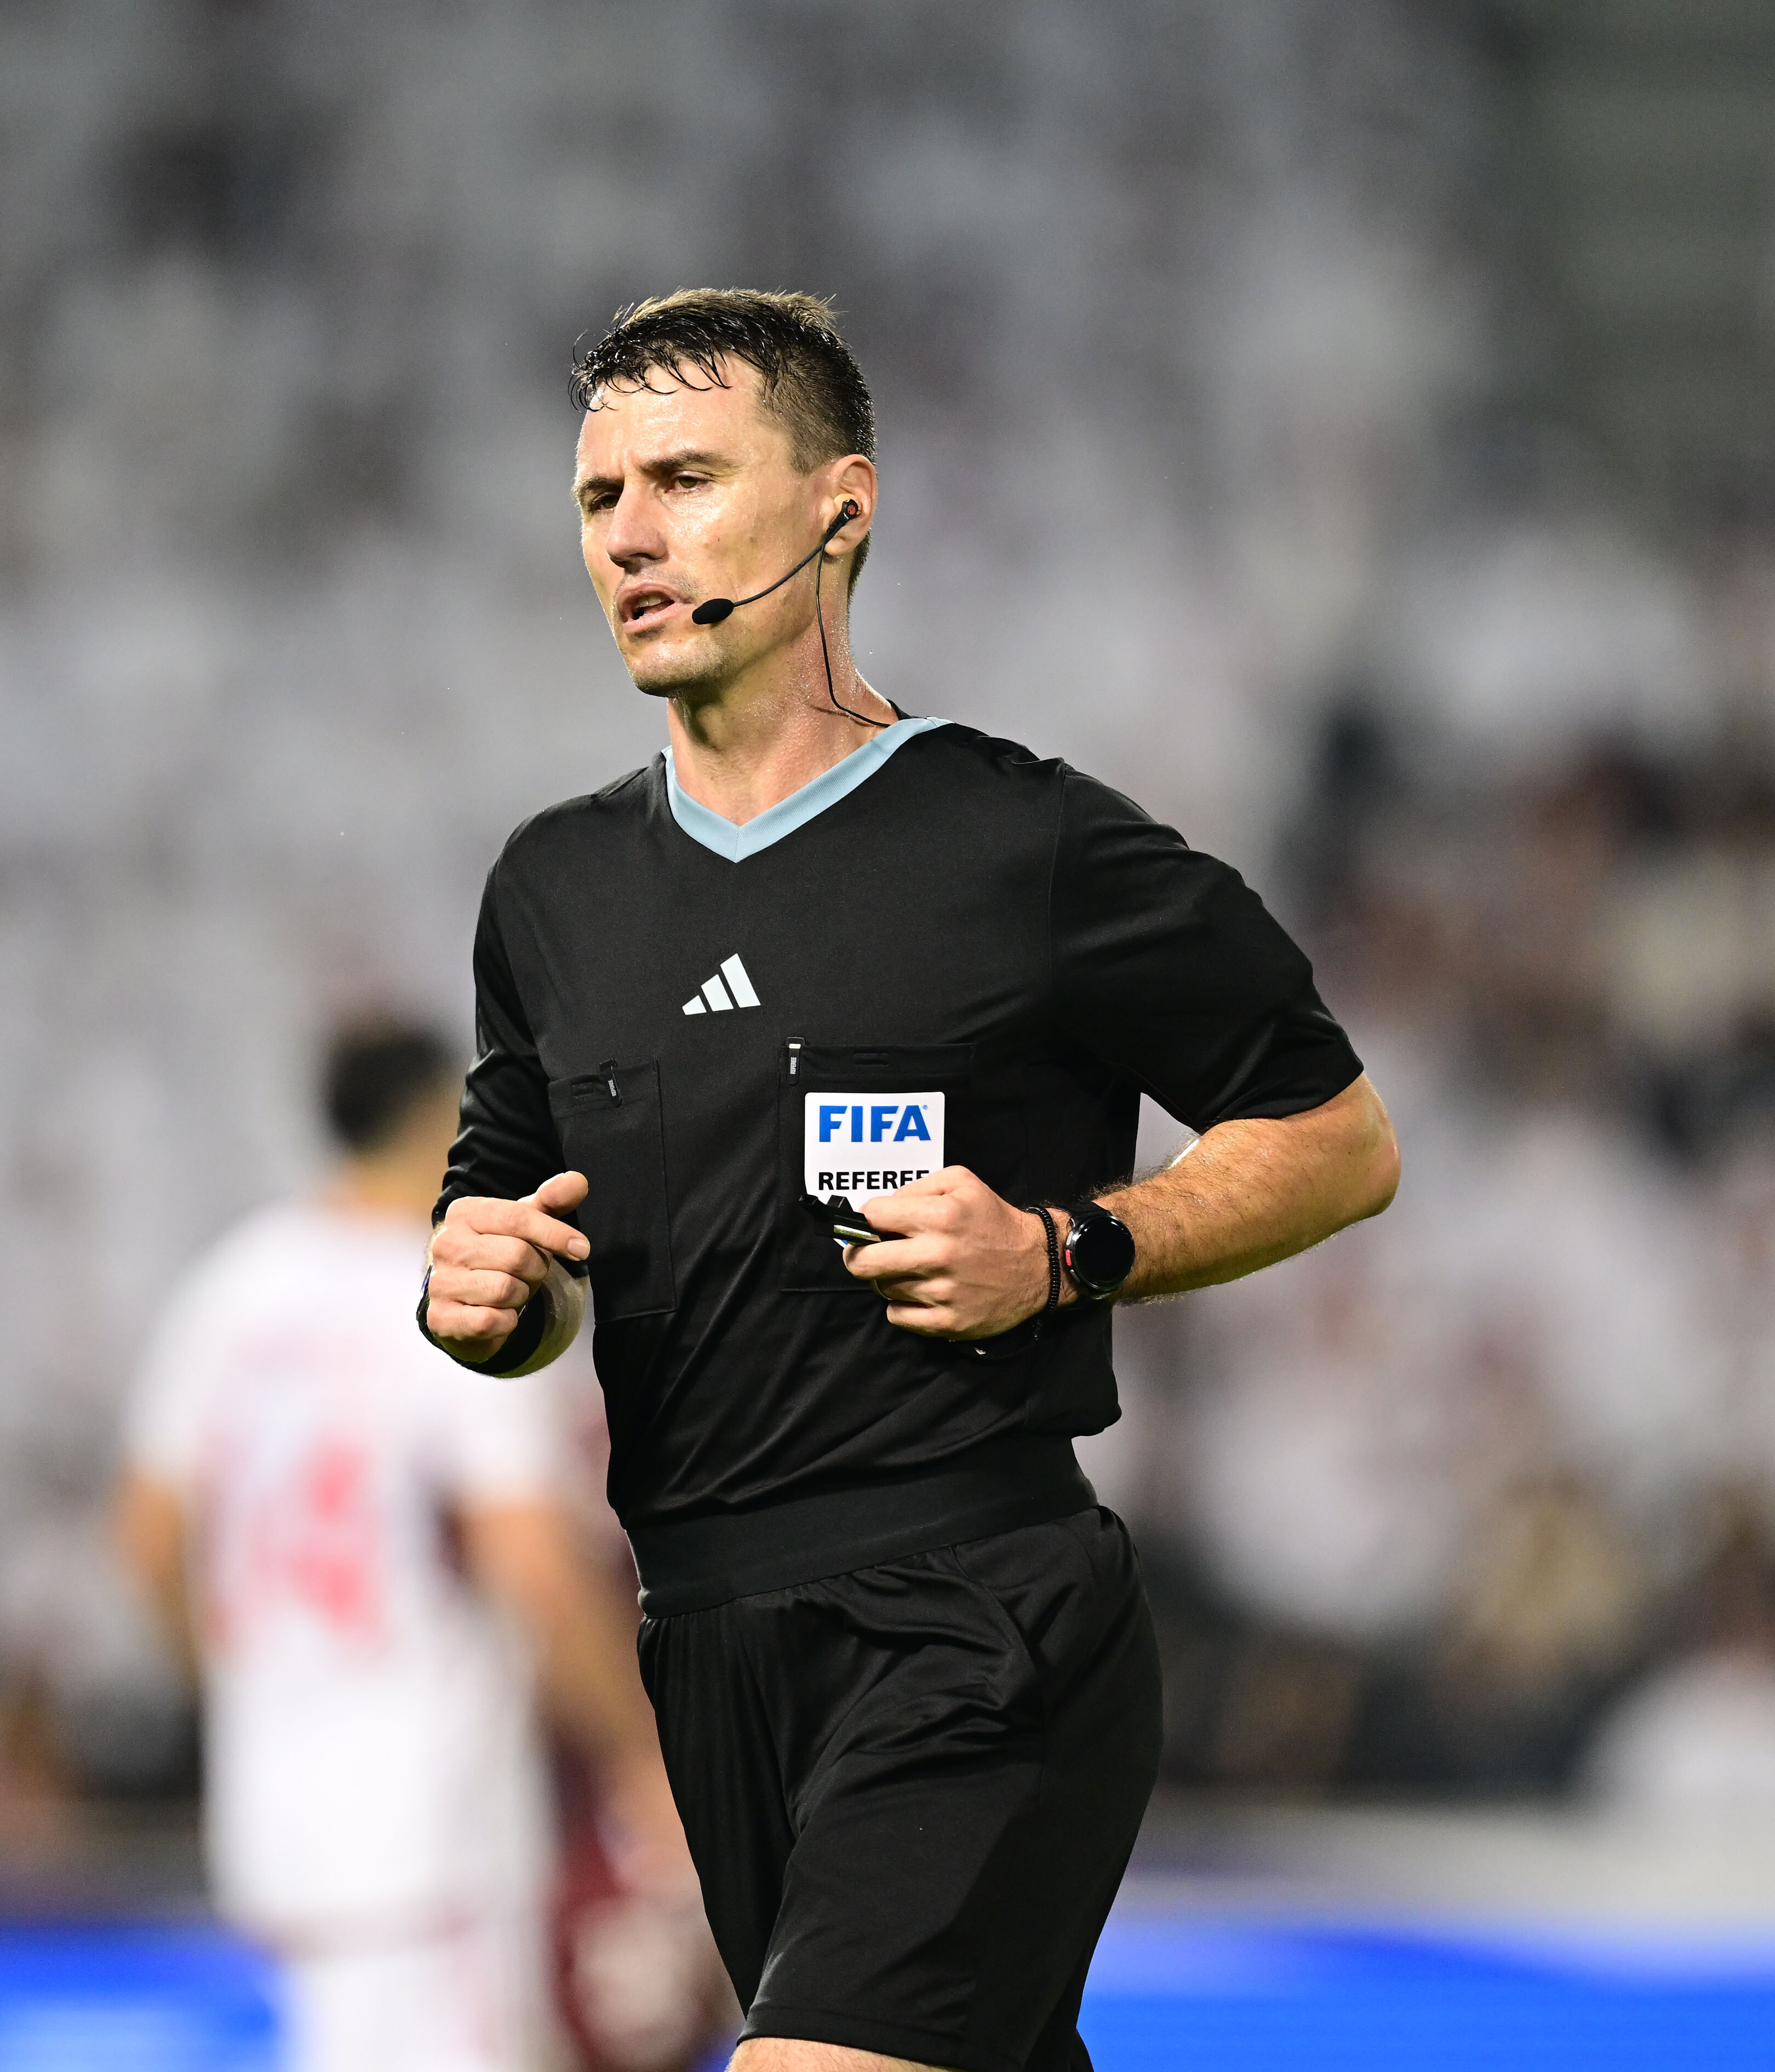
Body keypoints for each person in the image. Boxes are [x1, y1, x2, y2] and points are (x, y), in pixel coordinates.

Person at [422, 290, 1399, 2072]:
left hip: (975, 1609)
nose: (629, 533)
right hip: (707, 1643)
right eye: (598, 497)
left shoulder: (1018, 842)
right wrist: (487, 1296)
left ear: (839, 507)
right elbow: (516, 1242)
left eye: (685, 480)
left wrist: (1067, 1248)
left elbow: (1337, 1139)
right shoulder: (551, 891)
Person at [117, 1021, 701, 2072]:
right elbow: (532, 1562)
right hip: (431, 1819)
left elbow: (149, 1537)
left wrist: (239, 1684)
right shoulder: (455, 1301)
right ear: (444, 1120)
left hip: (278, 1813)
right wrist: (637, 1760)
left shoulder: (231, 1292)